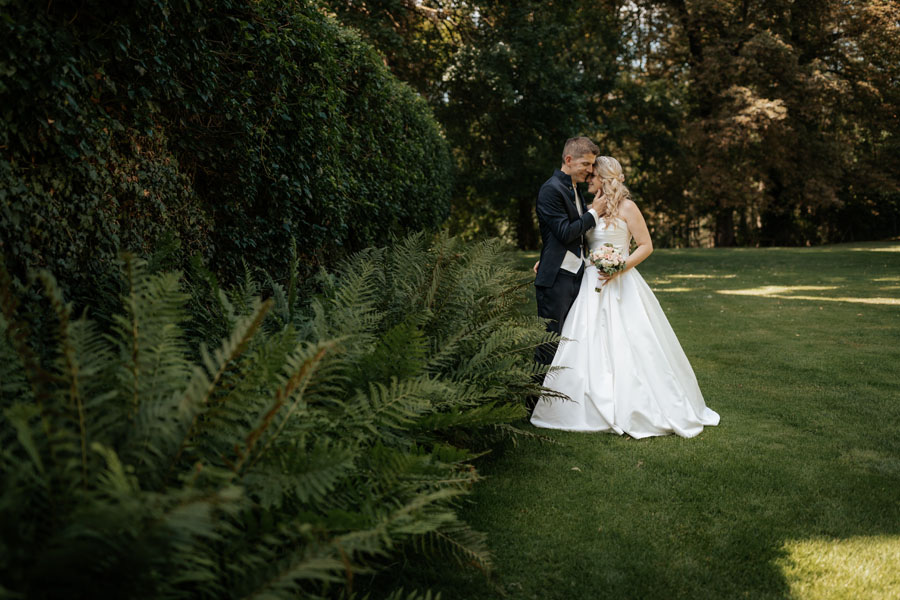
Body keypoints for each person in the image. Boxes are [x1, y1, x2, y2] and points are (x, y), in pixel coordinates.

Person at [530, 156, 720, 438]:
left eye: (592, 176)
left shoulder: (628, 207)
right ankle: (580, 402)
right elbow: (571, 238)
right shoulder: (590, 207)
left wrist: (620, 267)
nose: (588, 179)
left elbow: (646, 246)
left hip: (620, 282)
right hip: (591, 281)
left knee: (632, 340)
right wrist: (546, 260)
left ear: (604, 179)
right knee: (584, 339)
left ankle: (636, 402)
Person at [533, 137, 606, 367]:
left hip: (576, 275)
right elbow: (565, 232)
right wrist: (594, 214)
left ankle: (560, 402)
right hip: (556, 280)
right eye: (586, 164)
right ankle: (534, 402)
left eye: (592, 165)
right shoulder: (550, 189)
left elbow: (564, 232)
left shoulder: (573, 188)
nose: (590, 170)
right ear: (568, 159)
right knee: (549, 344)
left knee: (570, 344)